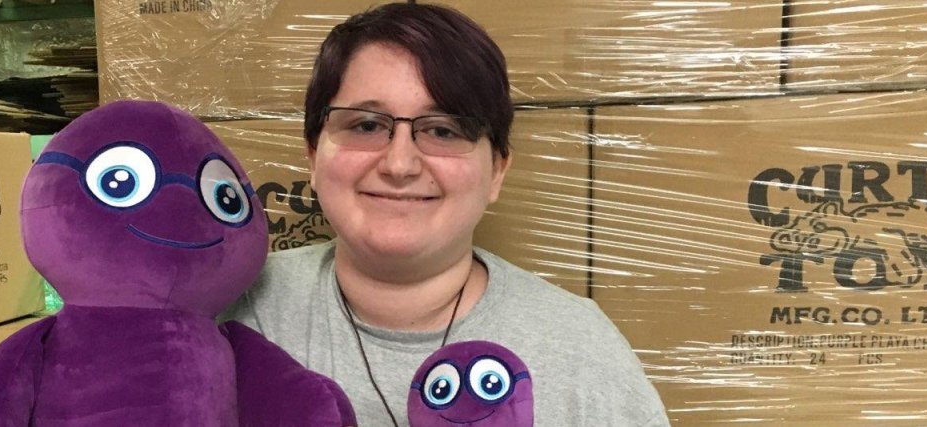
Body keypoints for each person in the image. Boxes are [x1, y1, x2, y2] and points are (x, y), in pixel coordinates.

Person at [222, 3, 669, 426]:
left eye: (442, 130)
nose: (400, 165)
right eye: (366, 125)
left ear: (496, 170)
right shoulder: (232, 309)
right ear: (314, 155)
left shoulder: (580, 350)